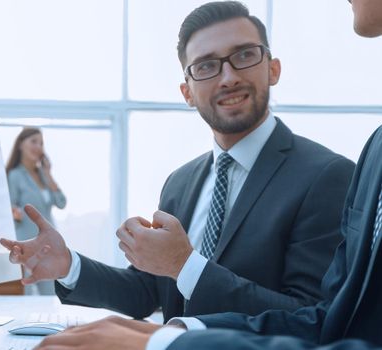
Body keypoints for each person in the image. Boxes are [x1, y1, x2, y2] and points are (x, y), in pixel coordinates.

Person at [31, 0, 382, 349]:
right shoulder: (181, 181)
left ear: (272, 69)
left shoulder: (328, 175)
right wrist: (69, 265)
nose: (228, 77)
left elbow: (314, 318)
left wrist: (185, 267)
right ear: (187, 92)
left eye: (244, 56)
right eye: (207, 66)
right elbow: (146, 291)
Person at [6, 126, 66, 294]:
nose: (38, 147)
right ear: (20, 145)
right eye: (33, 141)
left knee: (50, 294)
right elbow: (9, 206)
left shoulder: (42, 175)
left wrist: (48, 174)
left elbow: (61, 203)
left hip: (48, 246)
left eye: (41, 143)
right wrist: (14, 211)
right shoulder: (15, 175)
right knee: (26, 291)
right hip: (26, 245)